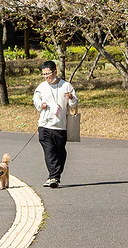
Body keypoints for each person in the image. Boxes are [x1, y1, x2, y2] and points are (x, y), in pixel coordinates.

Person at [33, 60, 77, 188]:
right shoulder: (41, 87)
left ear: (55, 72)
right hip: (44, 125)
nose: (46, 77)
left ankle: (55, 176)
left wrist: (71, 98)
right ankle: (53, 177)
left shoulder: (66, 86)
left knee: (60, 152)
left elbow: (74, 104)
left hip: (60, 126)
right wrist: (40, 104)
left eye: (48, 74)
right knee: (49, 151)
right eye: (44, 74)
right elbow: (36, 99)